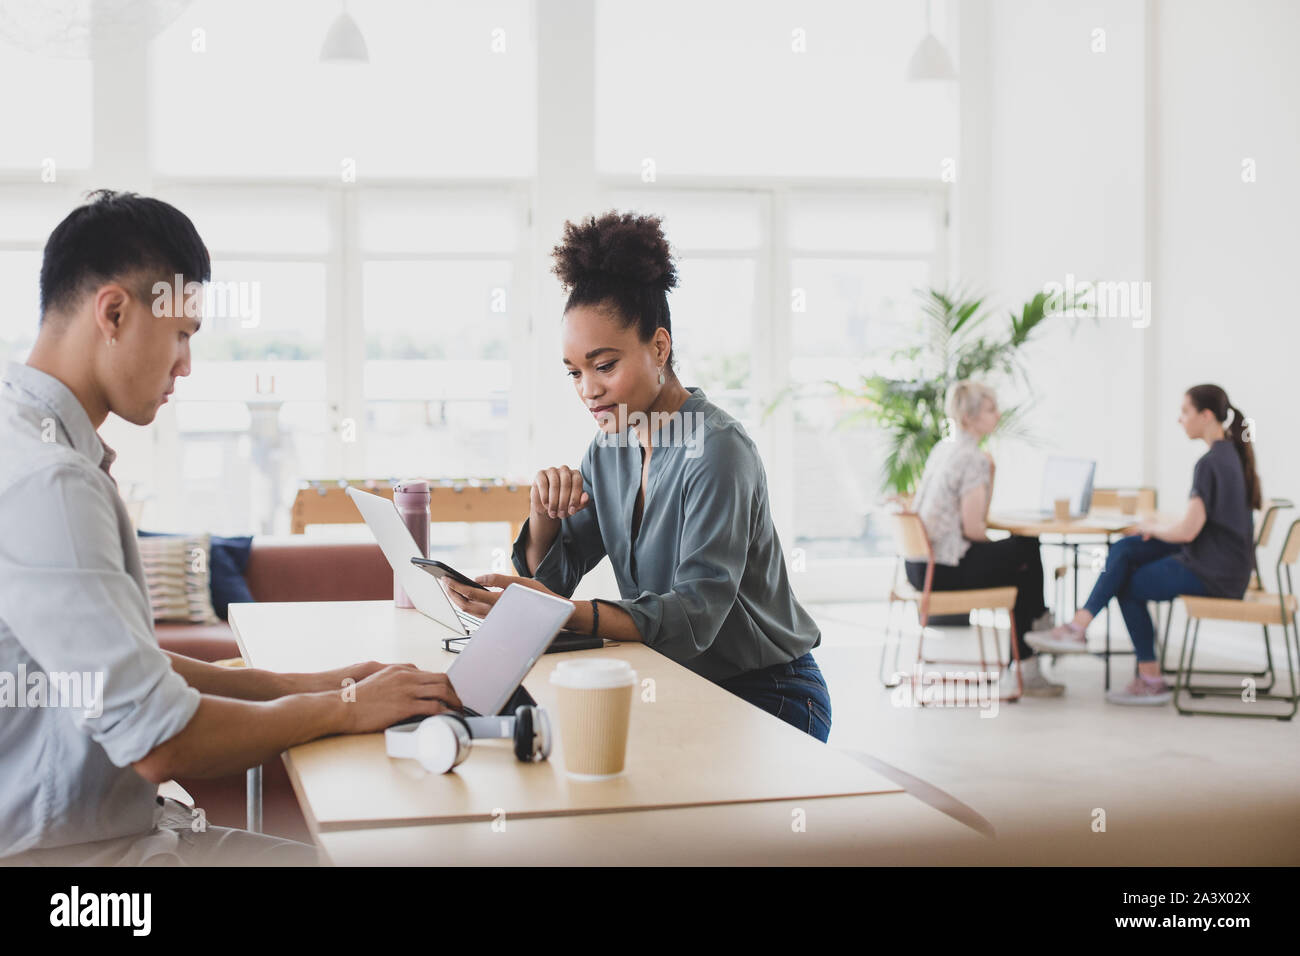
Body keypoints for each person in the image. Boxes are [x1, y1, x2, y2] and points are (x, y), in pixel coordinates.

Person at [0, 191, 462, 865]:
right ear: (115, 312)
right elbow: (163, 741)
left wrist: (329, 685)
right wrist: (346, 708)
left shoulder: (27, 439)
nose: (185, 364)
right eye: (182, 334)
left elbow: (136, 672)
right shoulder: (51, 482)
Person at [444, 211, 832, 741]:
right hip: (677, 677)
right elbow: (550, 583)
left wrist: (564, 612)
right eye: (575, 372)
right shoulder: (611, 447)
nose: (588, 390)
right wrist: (542, 516)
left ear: (659, 348)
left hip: (767, 691)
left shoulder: (718, 449)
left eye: (604, 365)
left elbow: (695, 614)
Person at [1027, 385, 1259, 706]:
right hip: (1224, 564)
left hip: (1214, 572)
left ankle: (1148, 677)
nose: (1180, 420)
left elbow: (1189, 531)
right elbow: (1199, 525)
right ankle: (1079, 627)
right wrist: (1151, 530)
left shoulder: (1210, 463)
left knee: (1128, 584)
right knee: (1127, 547)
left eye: (1185, 412)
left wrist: (1154, 527)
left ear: (1206, 416)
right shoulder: (1229, 455)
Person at [906, 381, 1059, 695]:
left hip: (918, 567)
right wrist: (990, 475)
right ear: (969, 418)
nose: (998, 415)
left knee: (1019, 560)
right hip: (943, 569)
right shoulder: (972, 458)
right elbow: (974, 529)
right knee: (1026, 549)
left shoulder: (944, 449)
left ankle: (1033, 651)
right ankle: (1039, 633)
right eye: (990, 409)